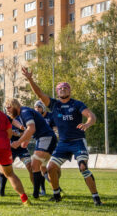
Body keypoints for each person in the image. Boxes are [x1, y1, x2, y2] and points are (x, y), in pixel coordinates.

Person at [22, 67, 102, 205]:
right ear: (57, 92)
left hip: (77, 141)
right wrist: (30, 79)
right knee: (50, 168)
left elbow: (91, 116)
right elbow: (39, 93)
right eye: (60, 88)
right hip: (63, 143)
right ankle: (56, 194)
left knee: (83, 167)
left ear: (69, 91)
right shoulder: (54, 105)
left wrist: (88, 124)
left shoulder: (77, 104)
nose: (63, 90)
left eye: (66, 88)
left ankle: (96, 198)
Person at [5, 98, 57, 199]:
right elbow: (32, 129)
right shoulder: (23, 113)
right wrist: (26, 141)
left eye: (9, 108)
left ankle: (39, 193)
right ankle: (52, 193)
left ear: (14, 106)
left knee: (35, 165)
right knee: (40, 167)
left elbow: (31, 128)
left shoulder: (25, 112)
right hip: (43, 138)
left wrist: (19, 142)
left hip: (46, 138)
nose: (8, 111)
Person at [0, 115, 33, 197]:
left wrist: (17, 134)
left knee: (30, 167)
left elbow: (28, 132)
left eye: (10, 107)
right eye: (7, 108)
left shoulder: (22, 118)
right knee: (3, 170)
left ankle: (38, 190)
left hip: (21, 148)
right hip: (10, 148)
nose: (8, 109)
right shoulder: (4, 118)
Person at [34, 100, 57, 195]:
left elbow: (56, 129)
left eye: (39, 107)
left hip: (49, 143)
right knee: (42, 168)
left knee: (44, 167)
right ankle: (49, 189)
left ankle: (54, 188)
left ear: (43, 107)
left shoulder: (50, 116)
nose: (37, 109)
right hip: (39, 142)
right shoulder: (35, 117)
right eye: (35, 107)